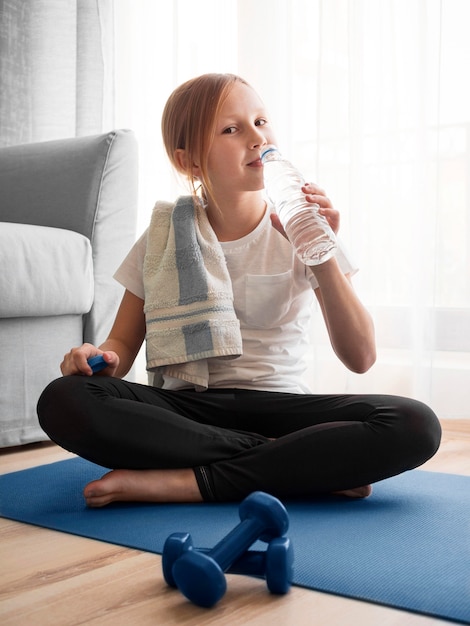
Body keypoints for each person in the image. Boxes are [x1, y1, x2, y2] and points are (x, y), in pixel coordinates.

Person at [37, 73, 441, 507]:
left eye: (261, 121)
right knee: (64, 399)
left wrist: (321, 256)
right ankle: (298, 468)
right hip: (189, 411)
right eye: (232, 129)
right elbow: (121, 347)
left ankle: (186, 483)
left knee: (415, 424)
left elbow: (360, 357)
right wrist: (97, 361)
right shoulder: (161, 238)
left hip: (282, 408)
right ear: (190, 160)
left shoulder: (305, 228)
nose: (256, 137)